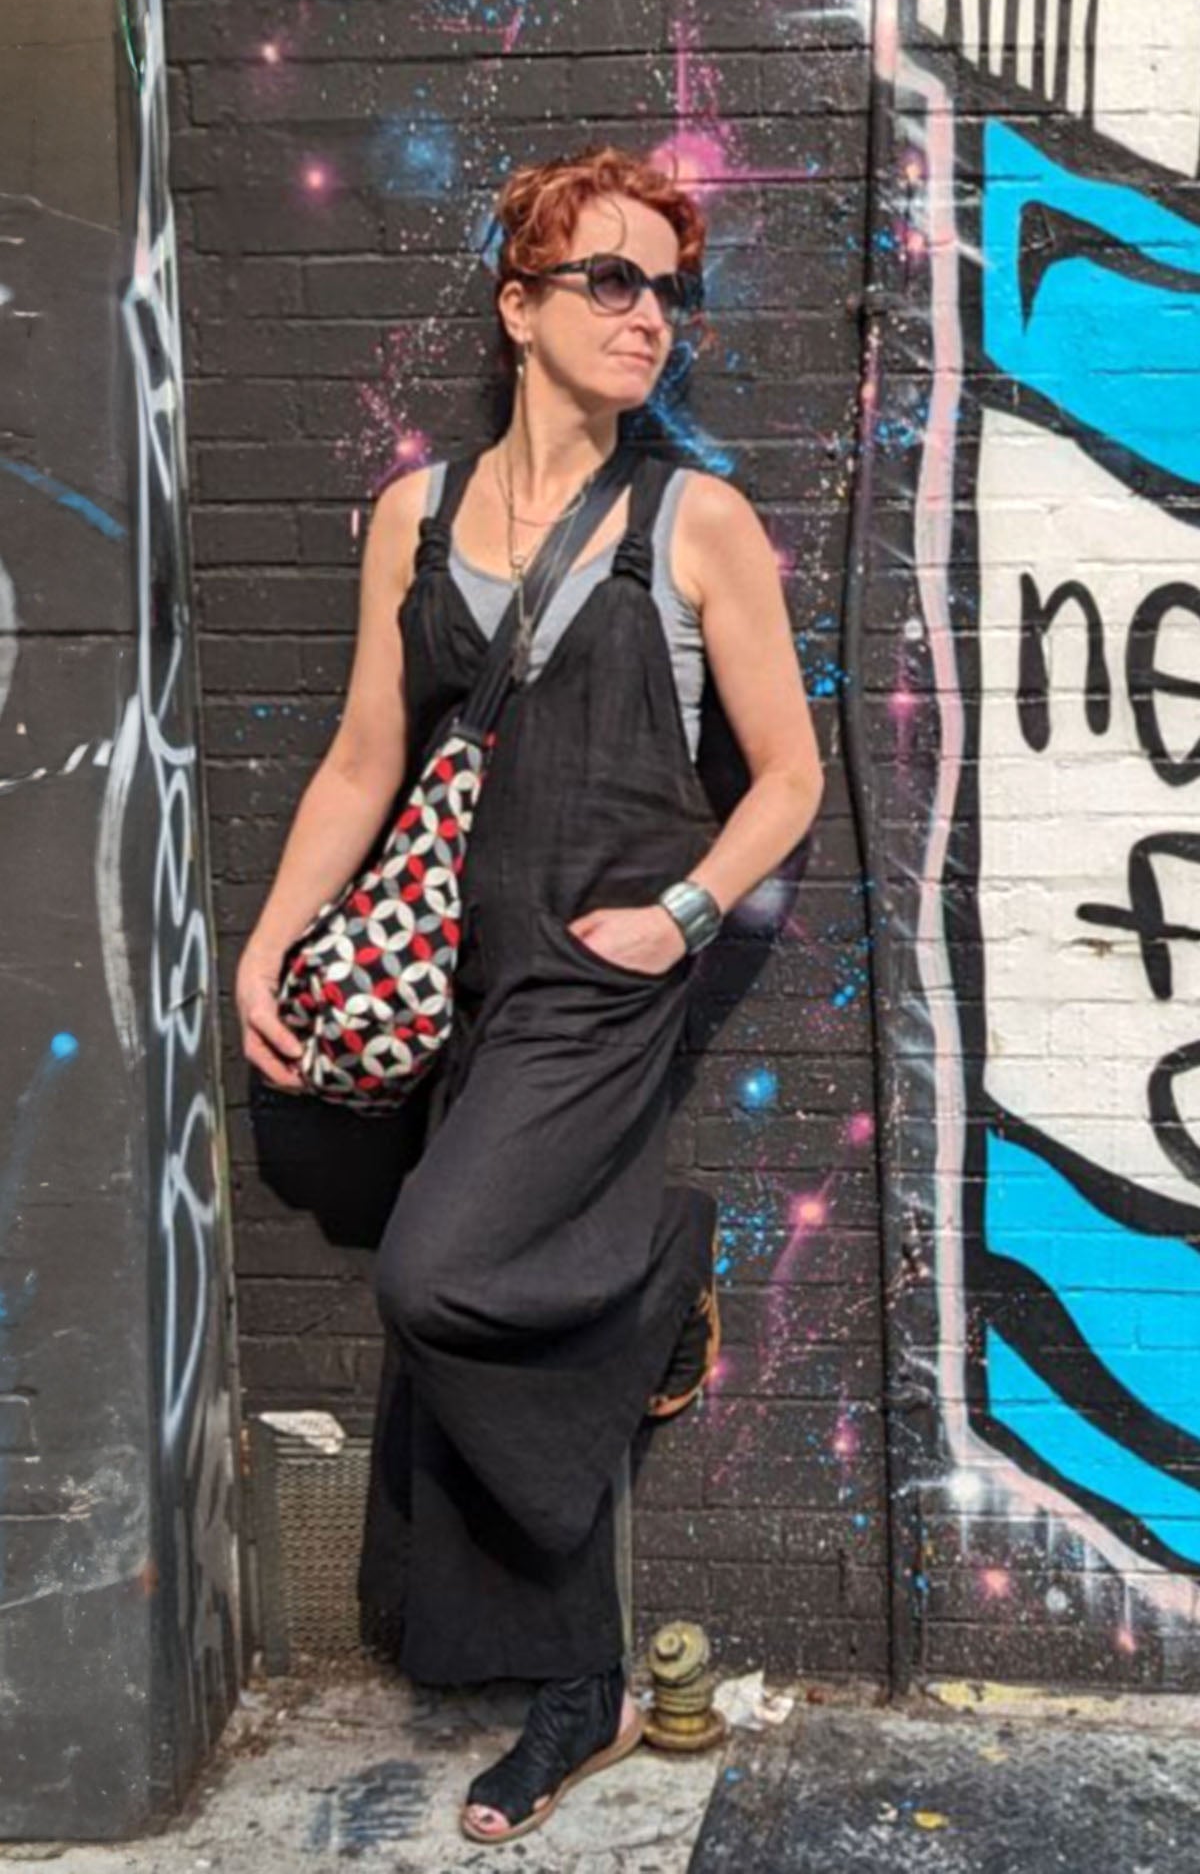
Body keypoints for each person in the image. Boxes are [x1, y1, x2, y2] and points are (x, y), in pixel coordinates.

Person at [234, 143, 823, 1846]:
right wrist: (275, 938)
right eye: (612, 281)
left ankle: (658, 1259)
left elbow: (783, 778)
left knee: (434, 1278)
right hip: (466, 975)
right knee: (473, 1317)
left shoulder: (696, 520)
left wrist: (685, 916)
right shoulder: (415, 517)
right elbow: (365, 756)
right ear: (521, 307)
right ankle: (578, 1684)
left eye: (669, 289)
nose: (652, 316)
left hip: (607, 978)